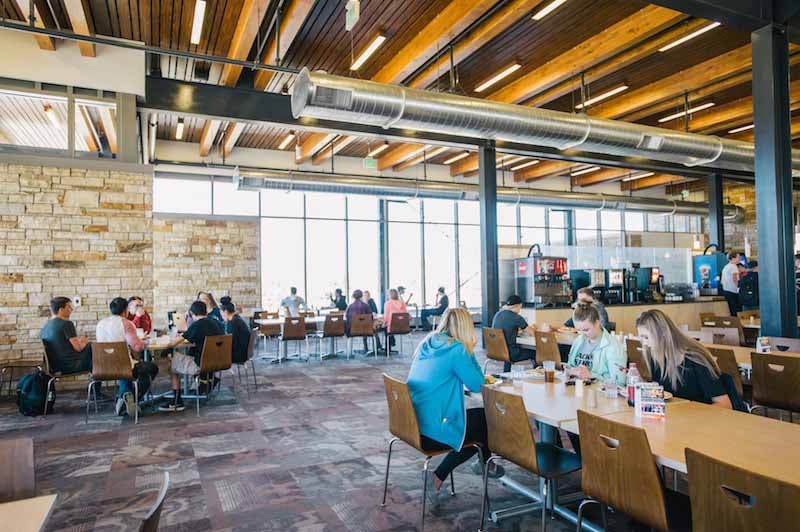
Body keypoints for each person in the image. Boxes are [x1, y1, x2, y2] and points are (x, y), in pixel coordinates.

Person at [407, 308, 500, 507]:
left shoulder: (430, 341)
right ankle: (479, 464)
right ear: (466, 327)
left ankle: (484, 462)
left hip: (414, 422)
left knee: (482, 420)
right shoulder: (457, 349)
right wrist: (470, 351)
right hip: (433, 428)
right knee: (489, 422)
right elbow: (477, 384)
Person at [635, 309, 733, 408]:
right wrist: (640, 384)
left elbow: (725, 404)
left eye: (646, 337)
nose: (644, 343)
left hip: (700, 418)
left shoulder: (695, 358)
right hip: (674, 416)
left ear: (663, 334)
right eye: (641, 338)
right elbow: (661, 394)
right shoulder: (656, 357)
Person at [159, 300, 225, 412]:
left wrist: (166, 343)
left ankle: (176, 401)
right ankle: (204, 382)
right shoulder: (216, 323)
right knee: (186, 356)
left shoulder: (197, 325)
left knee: (171, 364)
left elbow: (174, 343)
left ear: (192, 314)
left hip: (201, 365)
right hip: (218, 362)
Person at [96, 297, 158, 417]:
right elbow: (137, 347)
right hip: (124, 365)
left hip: (102, 367)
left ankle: (125, 395)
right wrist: (145, 342)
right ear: (126, 310)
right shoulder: (126, 323)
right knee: (151, 368)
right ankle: (132, 398)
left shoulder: (101, 324)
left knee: (126, 368)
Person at [566, 304, 626, 384]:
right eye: (578, 330)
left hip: (600, 394)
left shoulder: (613, 347)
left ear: (597, 323)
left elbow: (620, 382)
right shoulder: (579, 340)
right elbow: (570, 365)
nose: (582, 334)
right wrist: (570, 371)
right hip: (578, 389)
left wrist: (591, 375)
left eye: (586, 330)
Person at [40, 297, 92, 375]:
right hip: (72, 366)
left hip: (55, 367)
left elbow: (63, 345)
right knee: (93, 347)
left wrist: (80, 342)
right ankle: (99, 382)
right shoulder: (66, 324)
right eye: (69, 307)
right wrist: (85, 341)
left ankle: (95, 384)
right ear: (61, 310)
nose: (71, 310)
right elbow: (79, 348)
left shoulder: (45, 327)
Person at [491, 295, 537, 372]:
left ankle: (506, 375)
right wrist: (534, 329)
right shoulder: (517, 317)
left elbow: (507, 330)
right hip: (511, 354)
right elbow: (532, 333)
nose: (520, 310)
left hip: (495, 351)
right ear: (517, 305)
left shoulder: (498, 314)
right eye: (520, 307)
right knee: (536, 353)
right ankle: (537, 378)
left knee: (508, 347)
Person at [720, 251, 741, 316]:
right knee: (736, 311)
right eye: (738, 257)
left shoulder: (726, 267)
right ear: (733, 258)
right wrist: (738, 287)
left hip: (726, 291)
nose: (739, 259)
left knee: (731, 310)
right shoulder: (733, 267)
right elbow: (735, 278)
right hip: (733, 292)